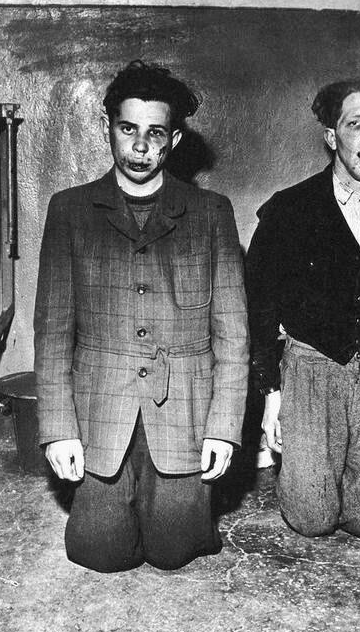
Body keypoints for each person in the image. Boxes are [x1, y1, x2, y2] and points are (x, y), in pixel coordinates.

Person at [34, 60, 249, 572]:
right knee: (98, 551)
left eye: (155, 133)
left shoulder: (211, 212)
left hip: (183, 408)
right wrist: (59, 429)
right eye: (128, 129)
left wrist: (223, 429)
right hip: (101, 408)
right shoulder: (69, 210)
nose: (140, 147)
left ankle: (176, 508)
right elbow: (53, 333)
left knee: (174, 551)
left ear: (174, 139)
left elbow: (234, 336)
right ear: (108, 128)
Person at [245, 77, 360, 538]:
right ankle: (302, 467)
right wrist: (272, 398)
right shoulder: (288, 209)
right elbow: (260, 308)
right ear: (332, 137)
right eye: (355, 124)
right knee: (311, 520)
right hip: (312, 366)